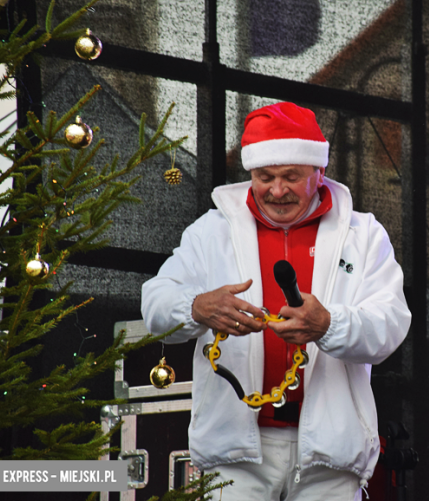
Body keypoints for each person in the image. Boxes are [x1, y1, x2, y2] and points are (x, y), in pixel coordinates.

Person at [141, 102, 411, 501]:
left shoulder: (363, 233)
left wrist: (329, 325)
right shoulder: (211, 231)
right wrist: (198, 307)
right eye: (265, 177)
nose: (277, 189)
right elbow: (155, 306)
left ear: (319, 174)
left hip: (332, 452)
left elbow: (389, 326)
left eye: (291, 176)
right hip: (235, 451)